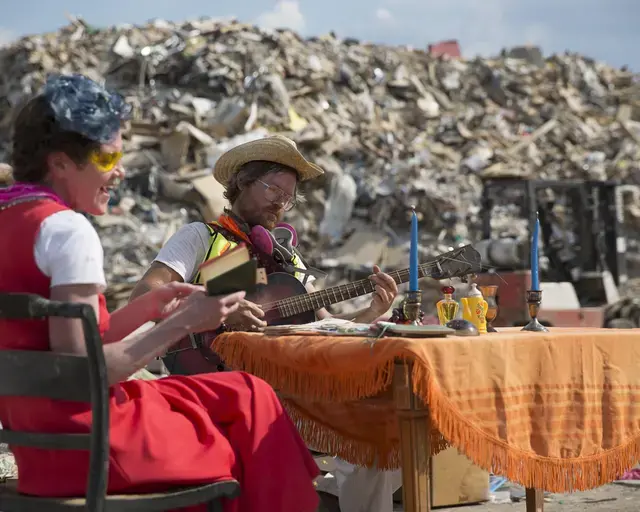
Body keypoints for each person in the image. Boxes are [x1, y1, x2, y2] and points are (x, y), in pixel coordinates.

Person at [0, 73, 320, 512]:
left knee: (246, 394)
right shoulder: (69, 230)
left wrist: (150, 307)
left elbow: (61, 344)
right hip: (93, 445)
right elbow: (79, 374)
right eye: (108, 155)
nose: (122, 168)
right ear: (59, 162)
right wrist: (182, 323)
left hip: (41, 445)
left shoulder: (12, 219)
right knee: (252, 427)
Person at [130, 135, 402, 512]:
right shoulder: (201, 237)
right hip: (214, 383)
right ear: (243, 181)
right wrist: (218, 305)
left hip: (290, 388)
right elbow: (145, 296)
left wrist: (368, 314)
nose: (281, 202)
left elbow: (321, 326)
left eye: (288, 197)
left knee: (379, 438)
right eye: (273, 188)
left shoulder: (288, 258)